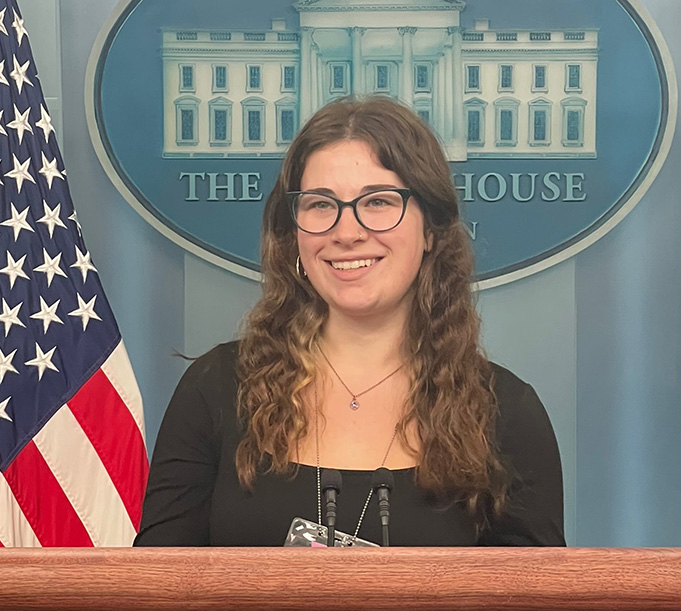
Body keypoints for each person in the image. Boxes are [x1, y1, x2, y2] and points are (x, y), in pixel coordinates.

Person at [135, 96, 564, 547]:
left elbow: (536, 610)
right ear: (293, 232)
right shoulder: (216, 390)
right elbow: (154, 595)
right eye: (321, 205)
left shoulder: (505, 413)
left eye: (377, 201)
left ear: (432, 231)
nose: (347, 232)